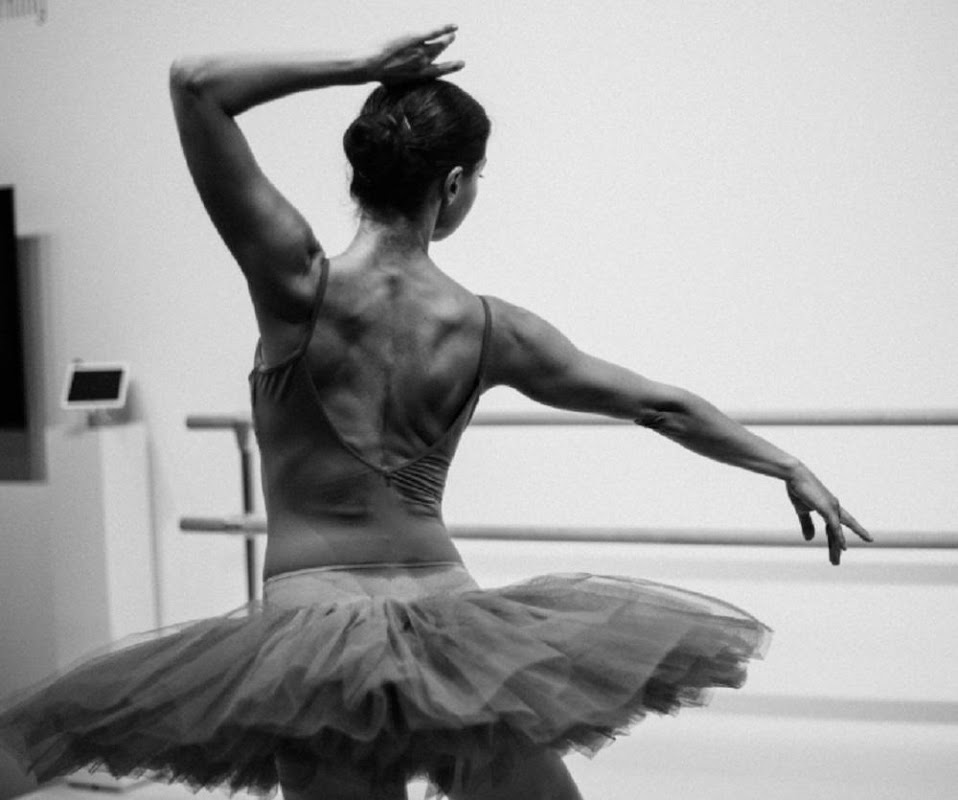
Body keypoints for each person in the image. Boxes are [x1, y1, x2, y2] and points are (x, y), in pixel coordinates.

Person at [0, 24, 872, 800]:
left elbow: (195, 83)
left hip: (311, 632)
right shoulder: (490, 330)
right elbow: (662, 406)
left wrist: (361, 65)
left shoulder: (296, 285)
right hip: (452, 629)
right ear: (453, 185)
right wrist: (787, 465)